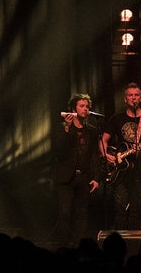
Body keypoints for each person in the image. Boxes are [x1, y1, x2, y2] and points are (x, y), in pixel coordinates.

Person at [100, 81, 141, 230]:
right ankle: (120, 240)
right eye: (130, 95)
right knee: (120, 207)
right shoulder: (116, 118)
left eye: (136, 95)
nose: (133, 98)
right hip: (120, 170)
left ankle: (134, 242)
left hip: (140, 169)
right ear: (125, 99)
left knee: (136, 207)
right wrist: (106, 155)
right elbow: (103, 140)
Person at [48, 93, 101, 247]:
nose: (85, 109)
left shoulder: (91, 130)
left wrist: (97, 177)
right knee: (64, 213)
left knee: (81, 213)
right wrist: (67, 129)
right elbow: (58, 151)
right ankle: (64, 246)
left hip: (83, 177)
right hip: (65, 177)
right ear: (73, 109)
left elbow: (94, 156)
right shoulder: (62, 128)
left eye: (87, 106)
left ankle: (78, 245)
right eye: (81, 106)